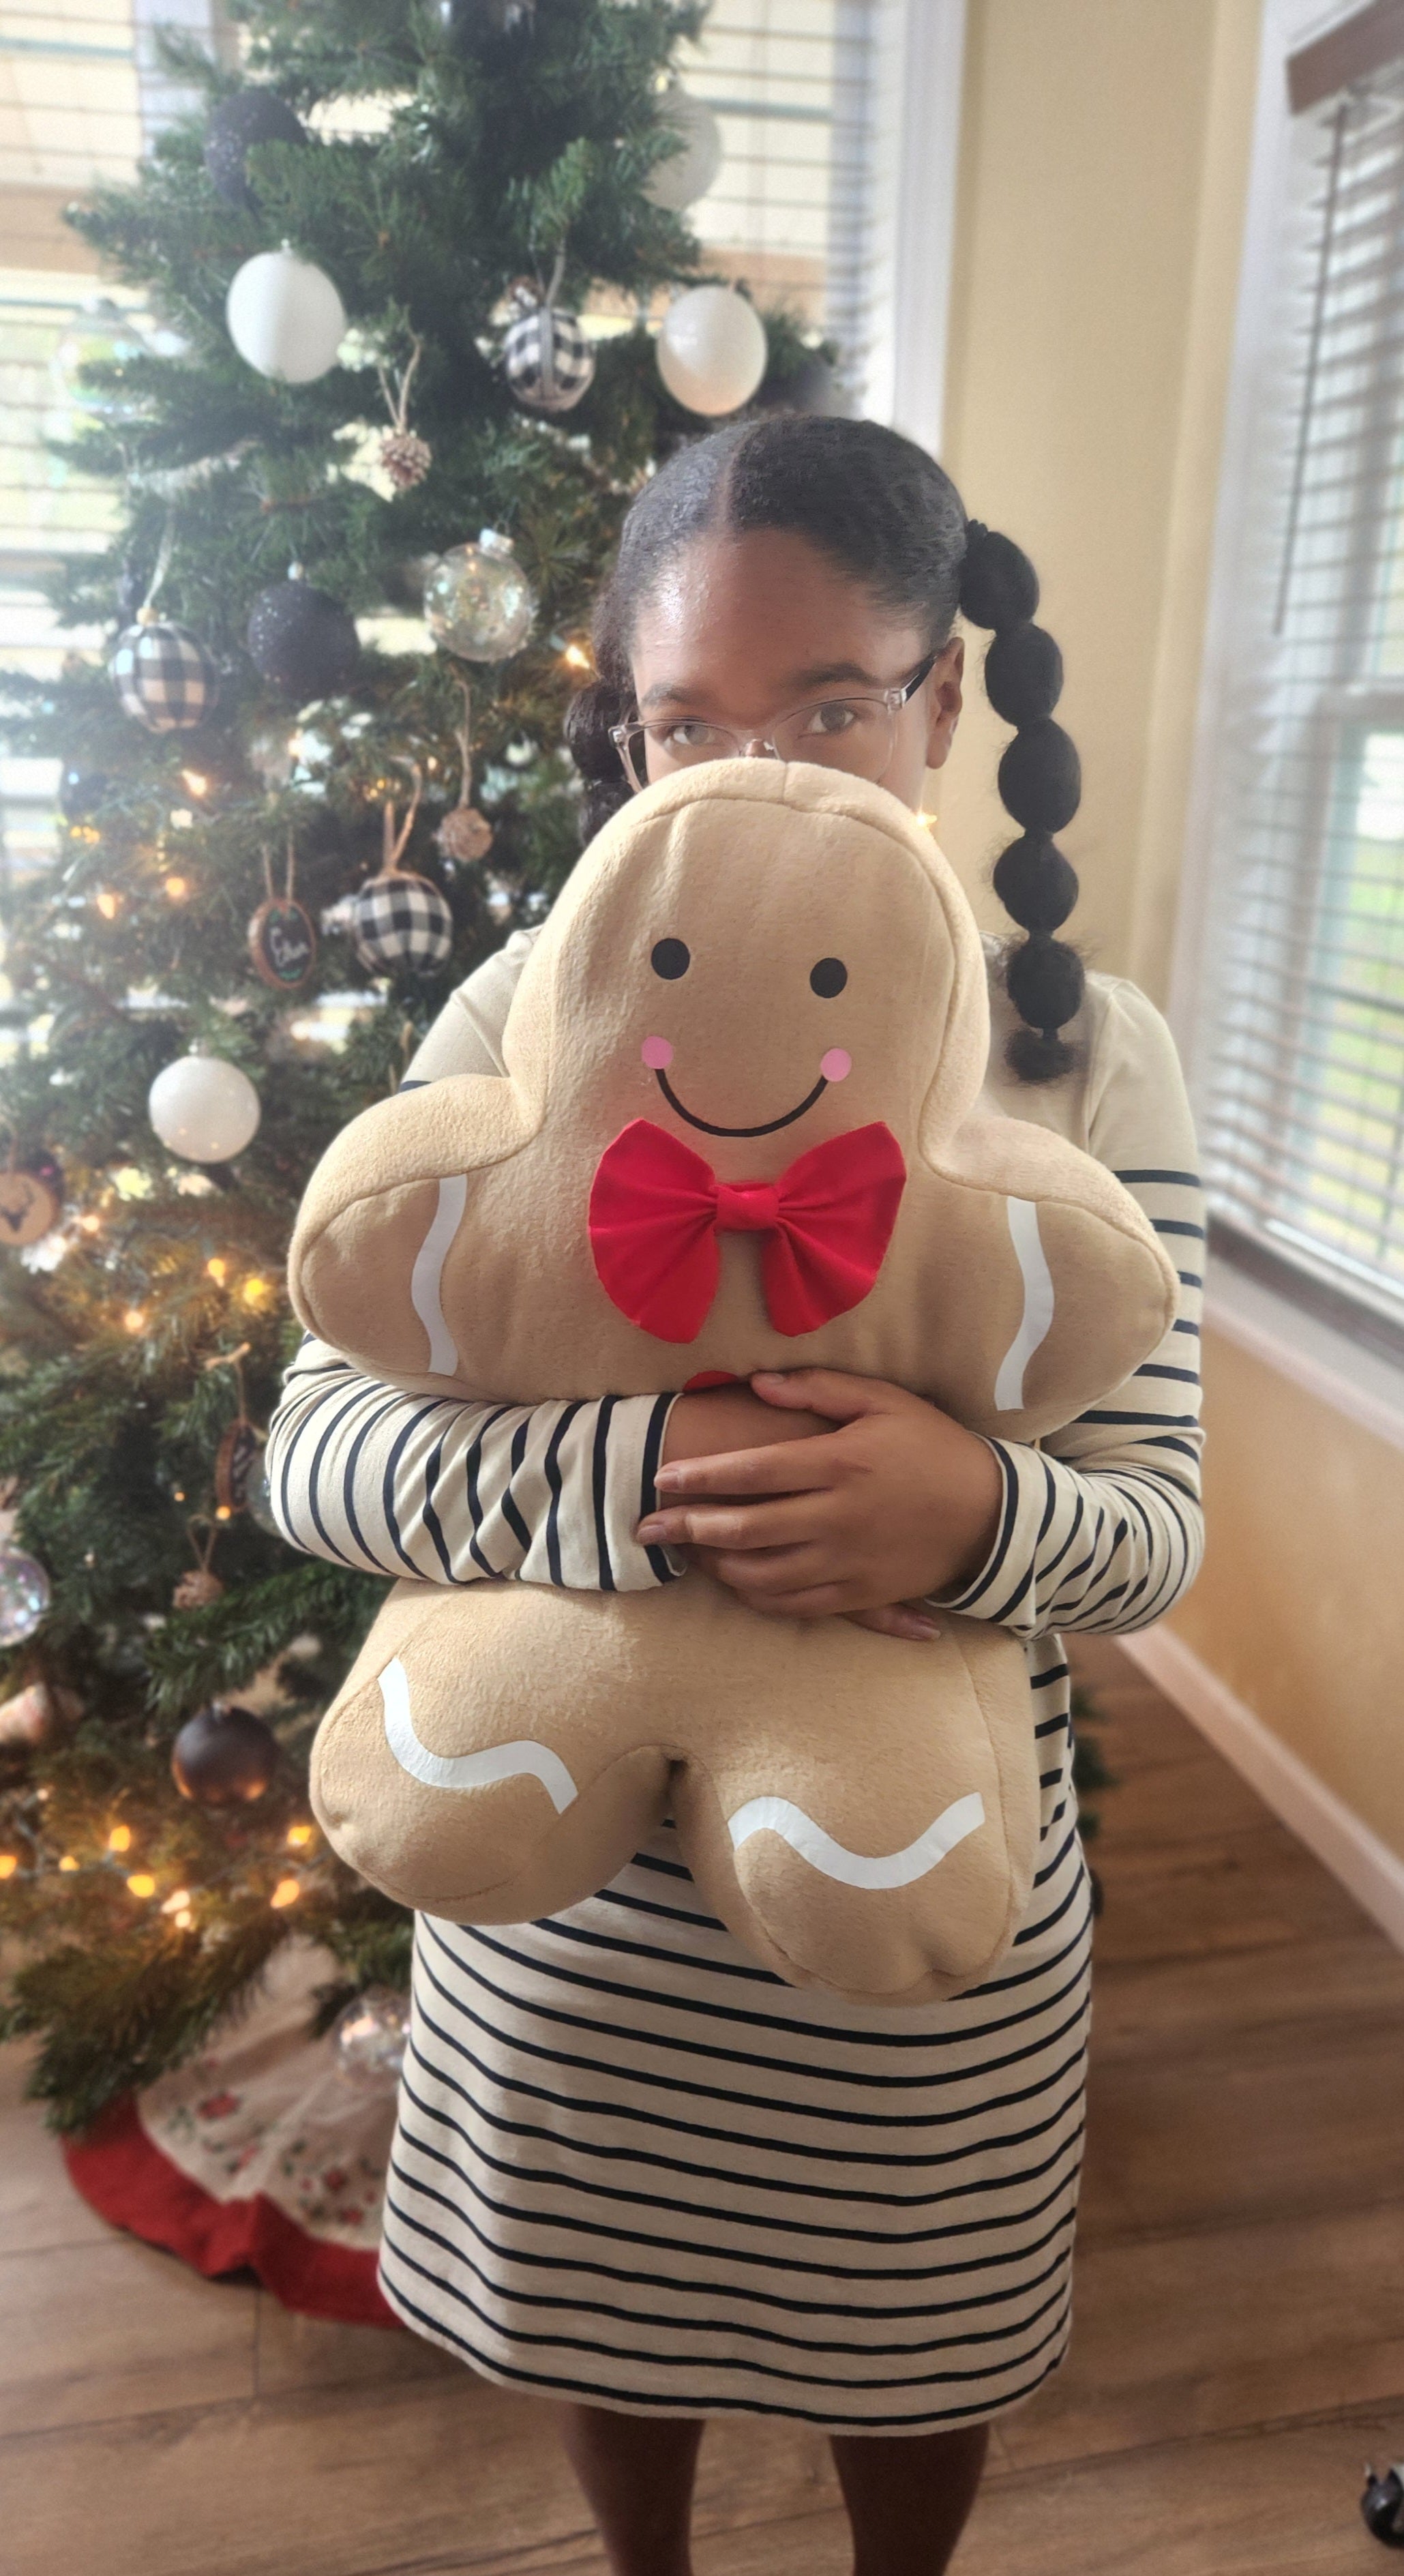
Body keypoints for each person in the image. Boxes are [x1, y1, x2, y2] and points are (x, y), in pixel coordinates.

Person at [267, 415, 1204, 2576]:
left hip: (921, 1918)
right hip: (572, 1918)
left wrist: (972, 1510)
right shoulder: (526, 1014)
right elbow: (318, 1444)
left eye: (825, 708)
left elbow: (1154, 1521)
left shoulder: (1084, 1053)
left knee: (921, 2355)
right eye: (675, 721)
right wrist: (624, 1470)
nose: (738, 773)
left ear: (941, 703)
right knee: (607, 2332)